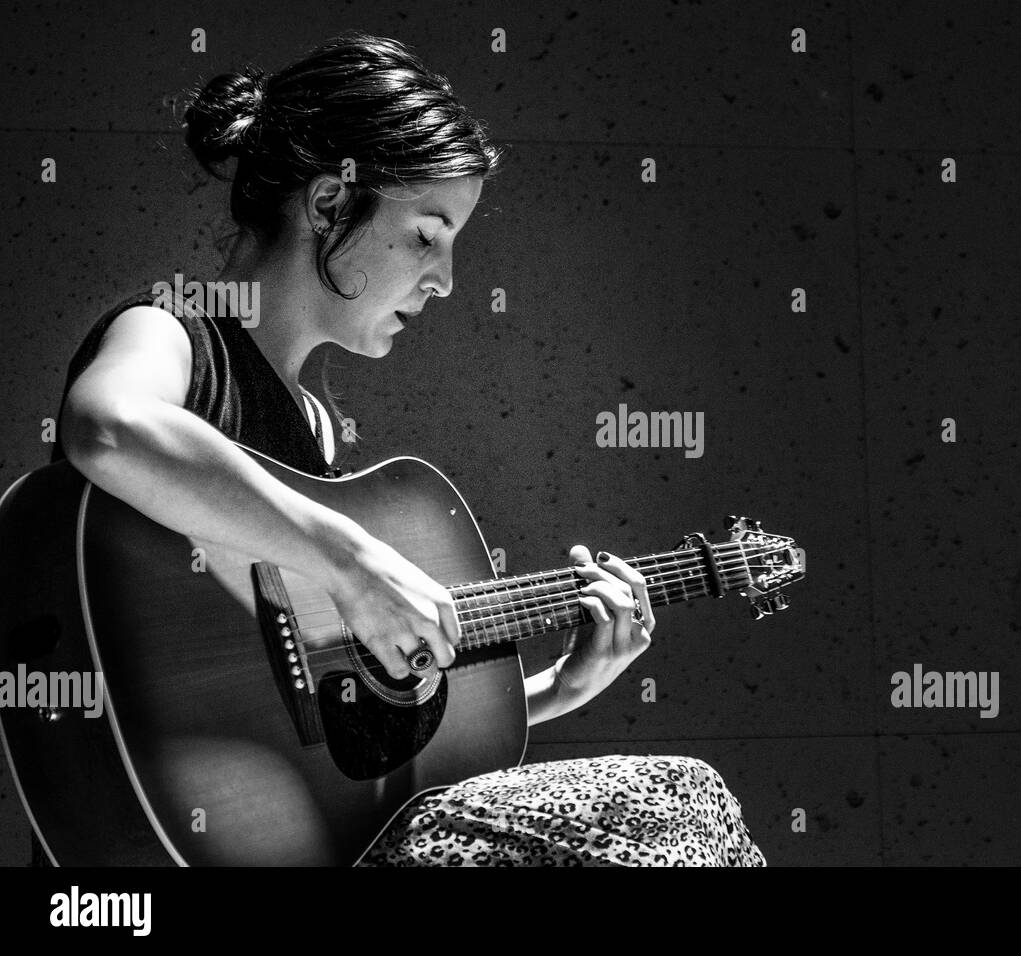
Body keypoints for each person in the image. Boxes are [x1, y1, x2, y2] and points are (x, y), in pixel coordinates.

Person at [35, 31, 765, 866]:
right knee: (673, 798)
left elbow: (327, 742)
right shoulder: (171, 334)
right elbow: (109, 426)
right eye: (426, 235)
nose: (446, 280)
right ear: (326, 205)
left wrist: (554, 691)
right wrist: (355, 563)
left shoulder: (312, 427)